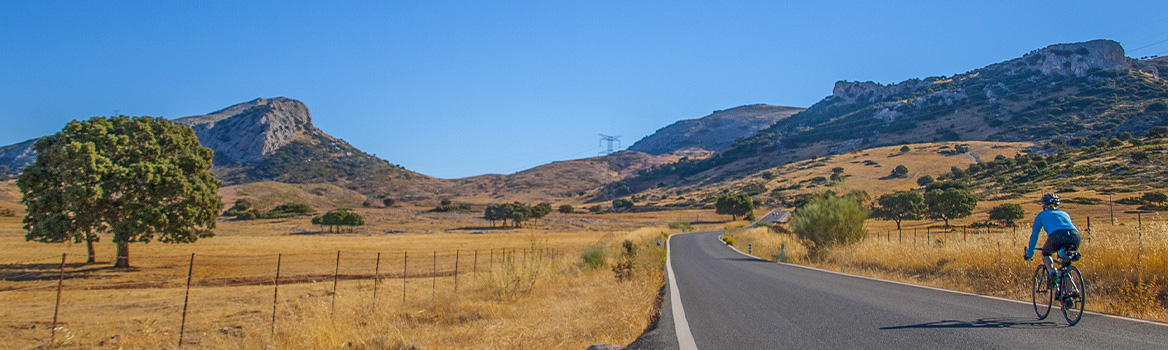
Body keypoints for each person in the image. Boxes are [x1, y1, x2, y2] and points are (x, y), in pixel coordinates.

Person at [1024, 194, 1081, 278]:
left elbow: (1035, 235)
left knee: (1046, 253)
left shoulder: (1041, 215)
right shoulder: (1064, 213)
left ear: (1044, 205)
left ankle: (1052, 273)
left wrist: (1030, 253)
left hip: (1057, 236)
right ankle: (1069, 290)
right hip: (1075, 236)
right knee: (1066, 266)